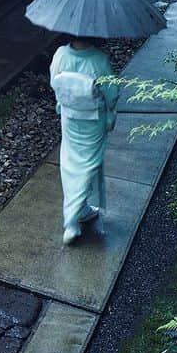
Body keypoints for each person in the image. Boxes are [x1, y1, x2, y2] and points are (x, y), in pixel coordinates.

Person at [49, 36, 118, 244]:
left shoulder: (60, 54)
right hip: (93, 120)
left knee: (71, 164)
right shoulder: (99, 59)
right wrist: (111, 114)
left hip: (70, 117)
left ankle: (83, 208)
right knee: (88, 164)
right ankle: (71, 220)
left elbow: (55, 83)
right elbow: (111, 92)